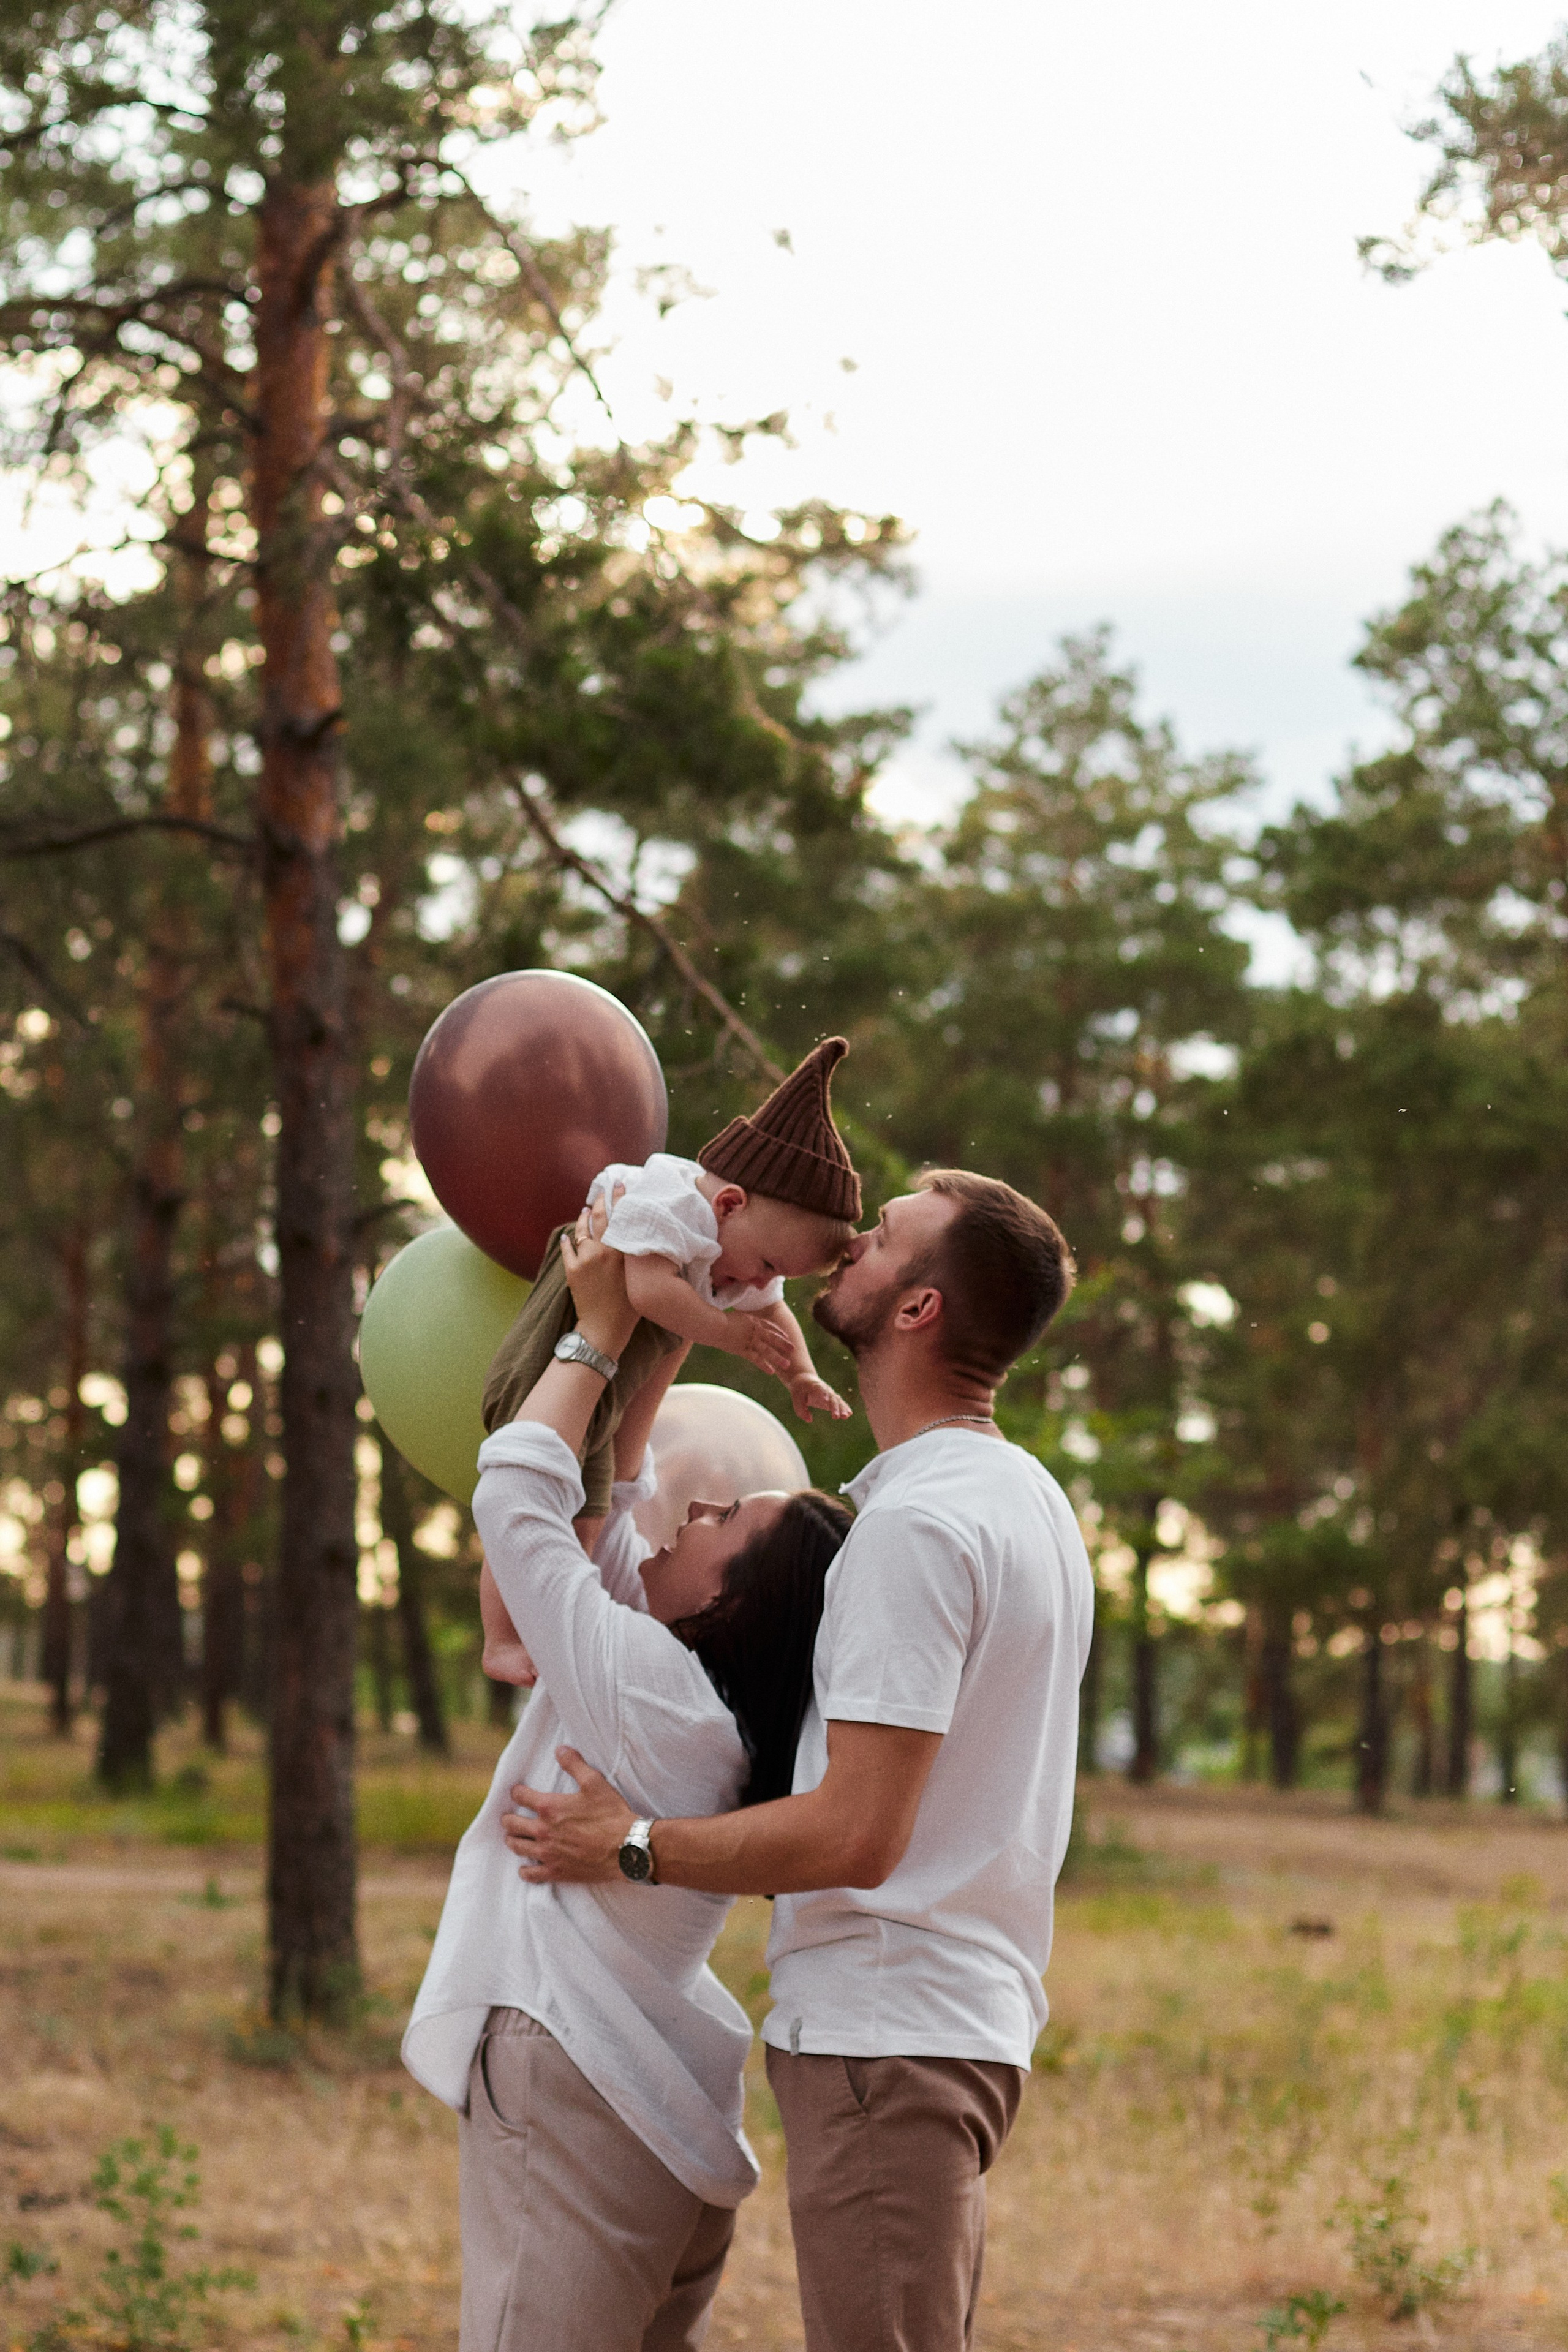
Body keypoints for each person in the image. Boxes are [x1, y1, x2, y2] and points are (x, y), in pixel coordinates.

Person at [500, 1170, 1093, 2352]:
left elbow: (856, 1834)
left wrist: (630, 1843)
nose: (849, 1245)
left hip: (888, 2033)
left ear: (916, 1308)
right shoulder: (1022, 1500)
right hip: (953, 2024)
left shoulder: (917, 1530)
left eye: (880, 1241)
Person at [402, 1223, 852, 2352]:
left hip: (578, 2091)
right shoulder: (694, 1698)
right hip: (651, 2117)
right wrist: (680, 1308)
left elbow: (517, 1497)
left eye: (726, 1524)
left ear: (734, 1609)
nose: (697, 1508)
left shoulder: (654, 1694)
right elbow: (614, 1496)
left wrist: (599, 1334)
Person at [475, 1036, 860, 1685]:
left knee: (589, 1515)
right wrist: (725, 1333)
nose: (755, 1284)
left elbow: (773, 1309)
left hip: (607, 1384)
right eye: (765, 1264)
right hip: (555, 1363)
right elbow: (646, 1290)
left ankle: (556, 1619)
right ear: (728, 1204)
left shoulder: (742, 1243)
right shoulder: (669, 1201)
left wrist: (800, 1372)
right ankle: (500, 1636)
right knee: (535, 1492)